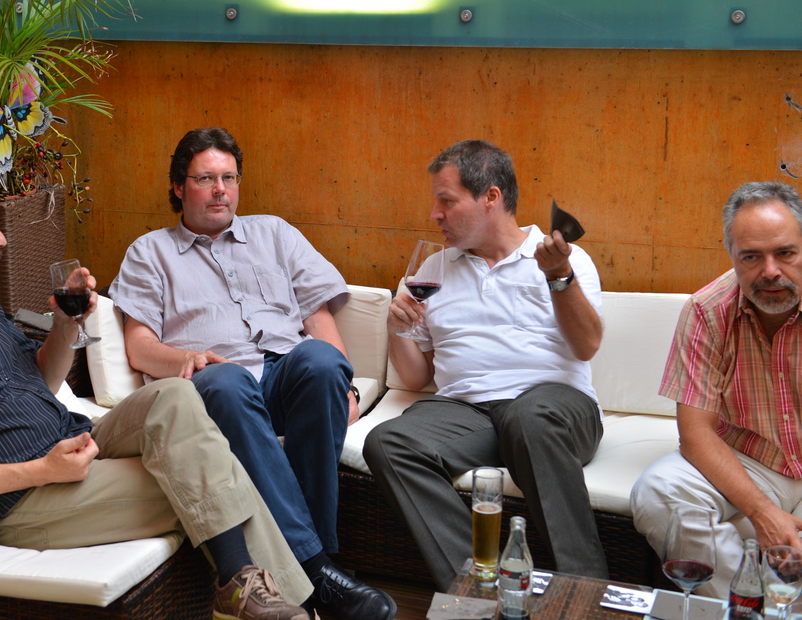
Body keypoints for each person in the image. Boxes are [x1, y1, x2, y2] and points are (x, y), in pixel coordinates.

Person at [0, 167, 313, 620]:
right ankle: (277, 600)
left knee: (174, 395)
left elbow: (41, 381)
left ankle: (250, 593)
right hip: (22, 500)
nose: (2, 239)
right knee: (208, 473)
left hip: (74, 441)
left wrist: (67, 325)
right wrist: (43, 470)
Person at [110, 127, 396, 620]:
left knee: (321, 361)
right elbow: (138, 344)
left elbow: (317, 316)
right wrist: (186, 360)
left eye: (229, 178)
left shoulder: (274, 234)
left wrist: (345, 385)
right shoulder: (149, 252)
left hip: (283, 377)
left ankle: (312, 567)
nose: (220, 190)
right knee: (227, 381)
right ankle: (318, 569)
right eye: (205, 178)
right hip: (218, 382)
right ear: (178, 186)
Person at [362, 139, 609, 591]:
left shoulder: (561, 259)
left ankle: (584, 594)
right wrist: (398, 329)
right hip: (468, 413)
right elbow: (416, 377)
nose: (435, 214)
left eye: (446, 201)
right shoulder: (432, 269)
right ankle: (482, 590)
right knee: (388, 441)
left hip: (553, 410)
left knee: (528, 419)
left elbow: (587, 345)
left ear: (490, 197)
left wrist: (559, 277)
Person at [631, 180, 802, 598]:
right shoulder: (707, 311)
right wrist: (763, 513)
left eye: (785, 253)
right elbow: (696, 433)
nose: (770, 271)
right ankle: (753, 605)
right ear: (731, 255)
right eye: (751, 256)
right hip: (752, 459)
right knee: (657, 493)